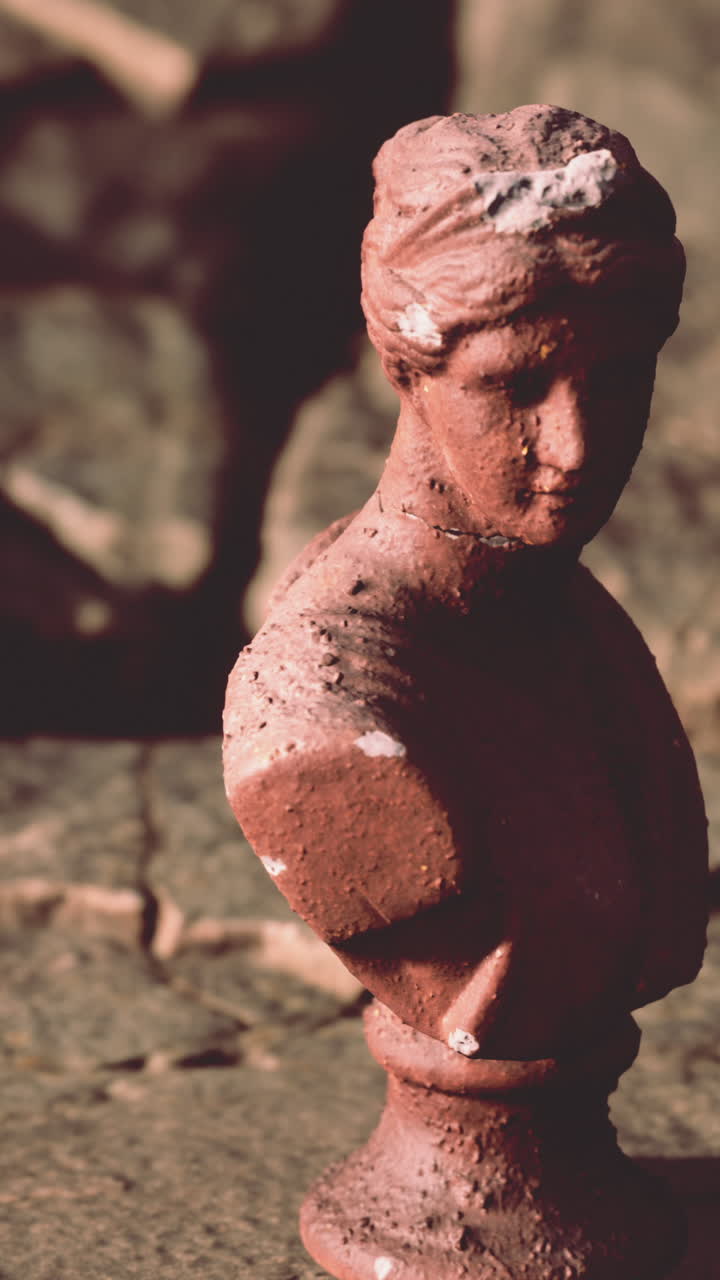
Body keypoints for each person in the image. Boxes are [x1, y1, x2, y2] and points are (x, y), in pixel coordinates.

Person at [223, 105, 707, 1063]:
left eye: (613, 382)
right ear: (408, 369)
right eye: (514, 388)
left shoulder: (567, 614)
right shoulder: (321, 713)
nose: (574, 448)